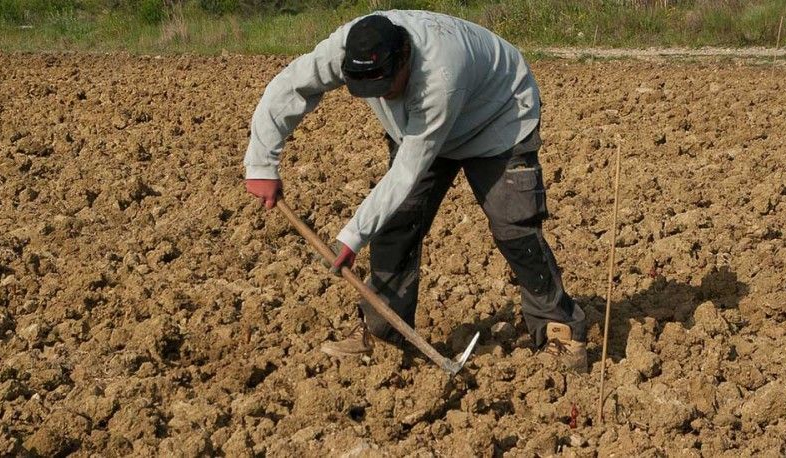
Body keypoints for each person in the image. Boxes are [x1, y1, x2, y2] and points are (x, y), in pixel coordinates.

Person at [243, 10, 587, 371]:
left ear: (404, 58)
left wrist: (350, 238)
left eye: (388, 87)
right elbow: (289, 86)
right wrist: (261, 163)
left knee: (514, 226)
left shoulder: (441, 75)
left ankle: (560, 329)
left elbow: (408, 169)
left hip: (498, 118)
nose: (383, 97)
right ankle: (382, 334)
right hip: (418, 128)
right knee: (396, 224)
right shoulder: (346, 48)